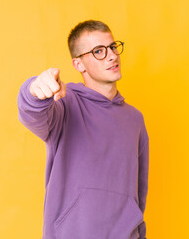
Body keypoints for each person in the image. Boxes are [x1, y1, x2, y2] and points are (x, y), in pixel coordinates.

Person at [17, 20, 149, 239]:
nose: (112, 56)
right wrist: (34, 89)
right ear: (79, 65)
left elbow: (138, 193)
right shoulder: (65, 104)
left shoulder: (135, 120)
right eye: (98, 51)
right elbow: (32, 112)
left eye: (113, 47)